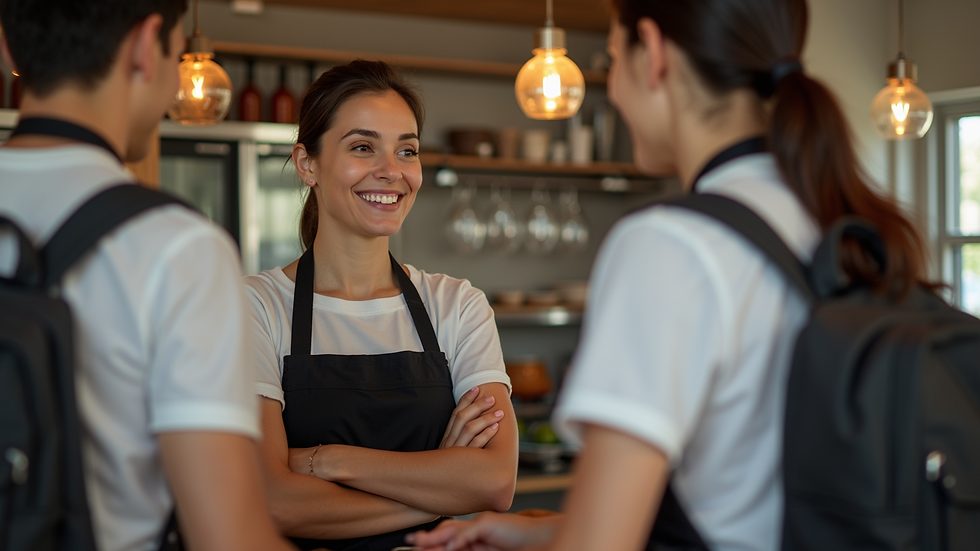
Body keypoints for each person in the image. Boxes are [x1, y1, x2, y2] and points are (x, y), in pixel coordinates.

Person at [407, 1, 932, 550]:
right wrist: (535, 534)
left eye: (612, 60)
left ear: (653, 53)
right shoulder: (849, 222)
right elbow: (754, 497)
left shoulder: (668, 243)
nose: (614, 89)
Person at [0, 2, 295, 551]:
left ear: (6, 48)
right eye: (180, 53)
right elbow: (228, 539)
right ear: (146, 44)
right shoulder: (178, 248)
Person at [244, 59, 519, 551]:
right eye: (363, 147)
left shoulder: (455, 304)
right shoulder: (255, 307)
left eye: (406, 150)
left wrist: (328, 461)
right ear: (307, 163)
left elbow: (495, 479)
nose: (392, 171)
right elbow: (271, 501)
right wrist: (441, 489)